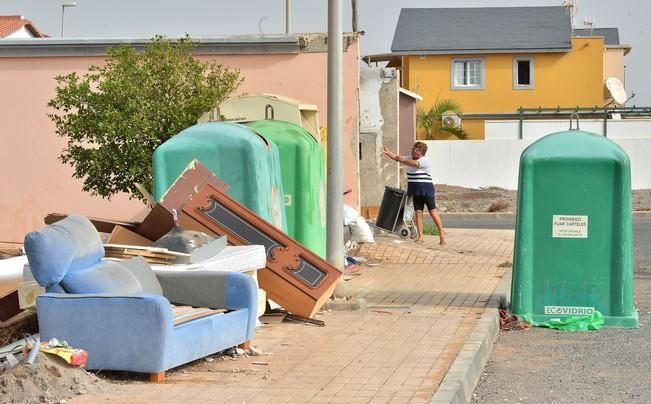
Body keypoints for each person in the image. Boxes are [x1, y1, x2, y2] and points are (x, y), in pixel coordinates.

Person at [381, 142, 446, 245]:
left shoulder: (425, 160)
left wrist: (402, 159)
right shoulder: (409, 158)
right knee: (418, 213)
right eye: (412, 149)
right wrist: (388, 153)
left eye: (415, 150)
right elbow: (398, 158)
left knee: (432, 212)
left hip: (426, 190)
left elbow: (414, 164)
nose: (412, 151)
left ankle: (442, 234)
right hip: (415, 190)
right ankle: (420, 236)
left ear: (420, 152)